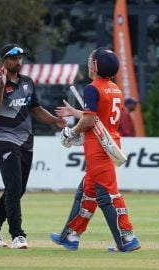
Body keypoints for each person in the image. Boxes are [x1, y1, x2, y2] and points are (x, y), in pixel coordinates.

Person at [50, 47, 141, 252]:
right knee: (87, 192)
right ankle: (71, 236)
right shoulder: (115, 88)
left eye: (92, 62)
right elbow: (99, 114)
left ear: (96, 66)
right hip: (110, 141)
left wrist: (71, 132)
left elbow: (89, 120)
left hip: (97, 146)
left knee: (108, 194)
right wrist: (76, 112)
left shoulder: (92, 88)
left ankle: (127, 238)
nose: (90, 64)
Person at [0, 43, 66, 249]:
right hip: (3, 139)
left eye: (20, 58)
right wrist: (2, 85)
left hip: (26, 140)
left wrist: (54, 120)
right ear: (3, 61)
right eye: (13, 58)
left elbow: (35, 109)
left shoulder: (27, 82)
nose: (18, 62)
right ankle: (17, 235)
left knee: (18, 189)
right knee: (13, 187)